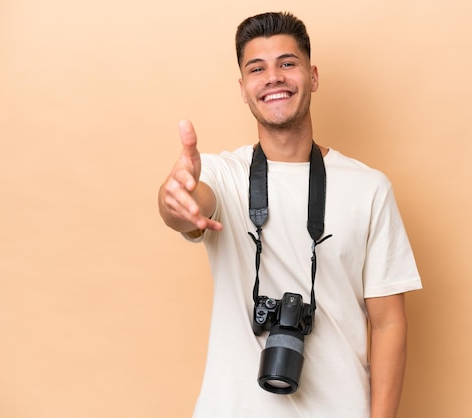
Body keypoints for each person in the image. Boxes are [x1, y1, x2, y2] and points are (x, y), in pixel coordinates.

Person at [158, 11, 422, 418]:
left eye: (287, 63)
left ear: (312, 76)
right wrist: (176, 197)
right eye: (256, 69)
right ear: (243, 89)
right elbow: (186, 203)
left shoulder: (369, 188)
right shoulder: (221, 174)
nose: (273, 78)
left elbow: (388, 323)